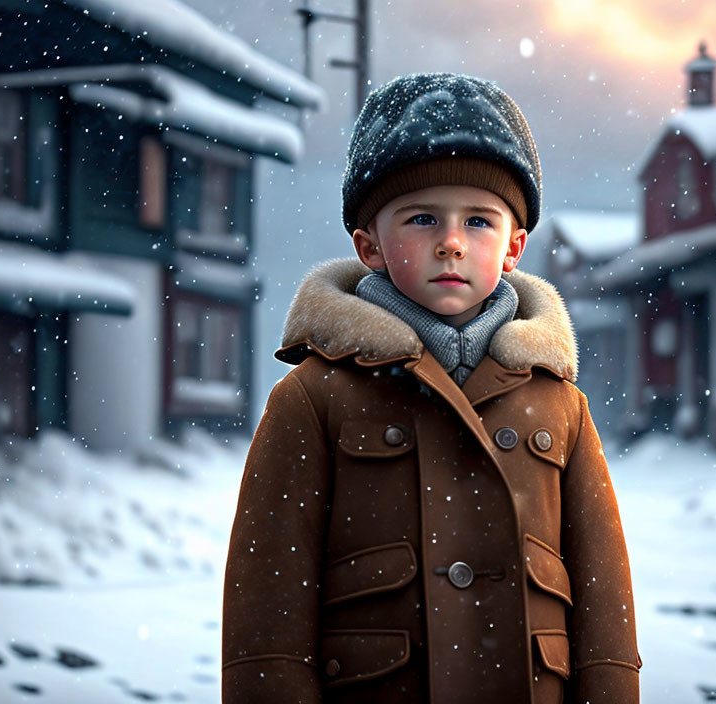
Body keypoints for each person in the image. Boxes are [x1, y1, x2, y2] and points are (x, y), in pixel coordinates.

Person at [222, 72, 641, 704]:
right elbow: (267, 613)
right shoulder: (315, 398)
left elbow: (605, 602)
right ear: (368, 245)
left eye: (478, 220)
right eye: (422, 218)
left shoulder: (559, 404)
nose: (451, 242)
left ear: (513, 248)